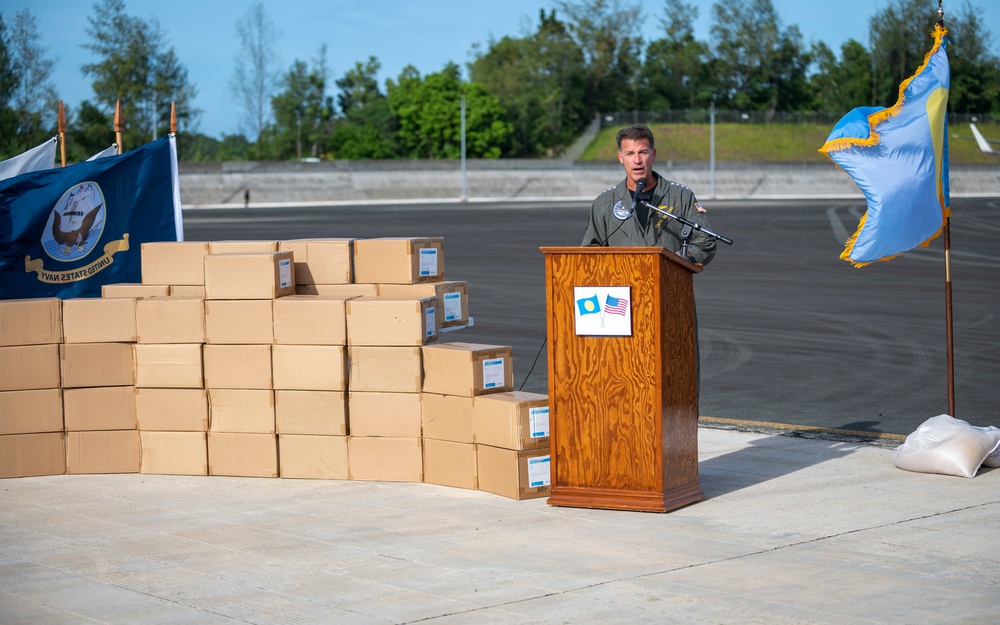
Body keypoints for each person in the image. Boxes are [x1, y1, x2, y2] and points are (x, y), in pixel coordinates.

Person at [581, 124, 716, 267]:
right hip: (622, 285)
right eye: (630, 153)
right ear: (620, 157)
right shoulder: (604, 203)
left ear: (653, 154)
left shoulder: (681, 197)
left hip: (670, 284)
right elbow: (590, 251)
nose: (637, 160)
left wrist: (681, 260)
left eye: (643, 152)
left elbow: (705, 239)